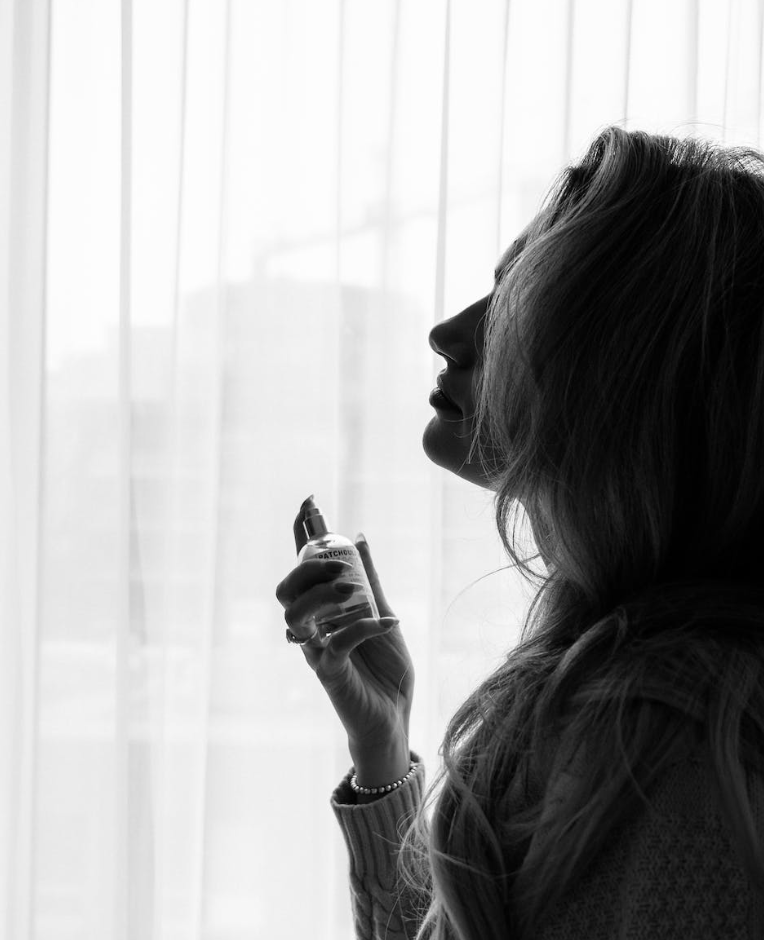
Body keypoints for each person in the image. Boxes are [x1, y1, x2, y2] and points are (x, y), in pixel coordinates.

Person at [274, 125, 764, 939]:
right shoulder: (626, 693)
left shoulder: (672, 751)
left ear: (624, 371)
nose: (449, 334)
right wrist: (383, 743)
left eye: (516, 304)